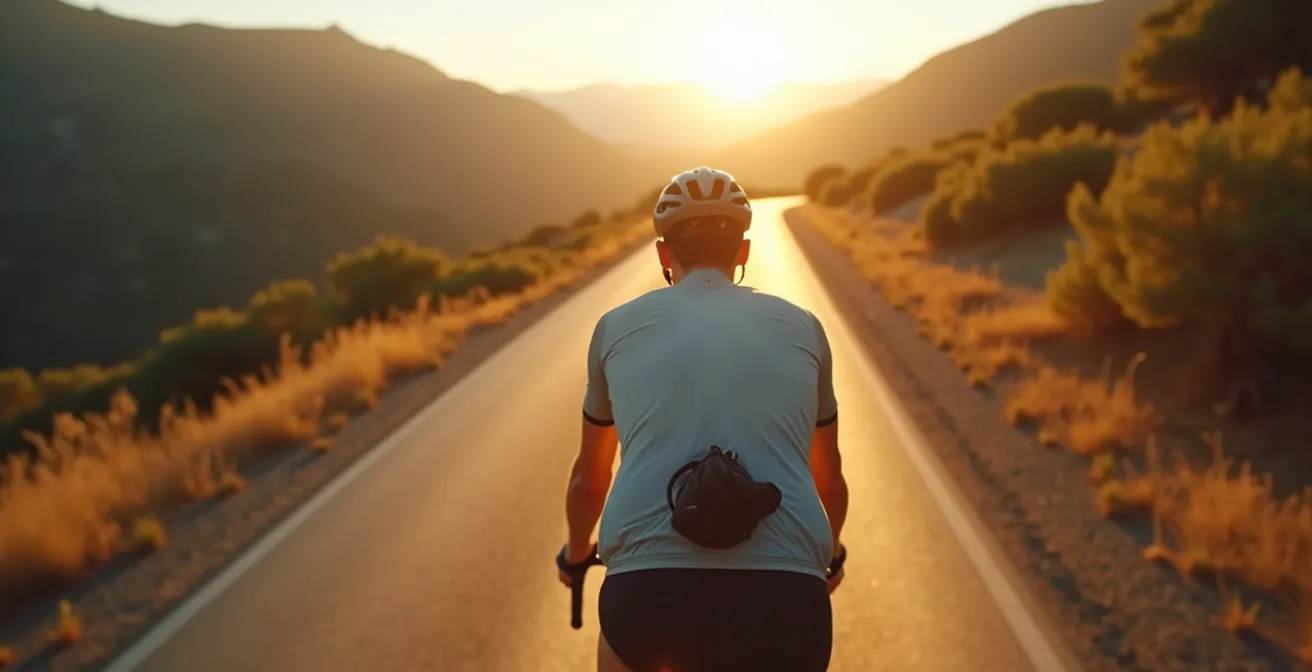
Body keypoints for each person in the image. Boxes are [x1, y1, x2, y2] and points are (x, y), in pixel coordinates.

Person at [557, 166, 850, 672]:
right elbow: (828, 476)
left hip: (650, 597)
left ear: (663, 254)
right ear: (743, 252)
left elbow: (591, 478)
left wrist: (577, 553)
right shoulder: (805, 328)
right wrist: (833, 552)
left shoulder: (615, 328)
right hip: (786, 599)